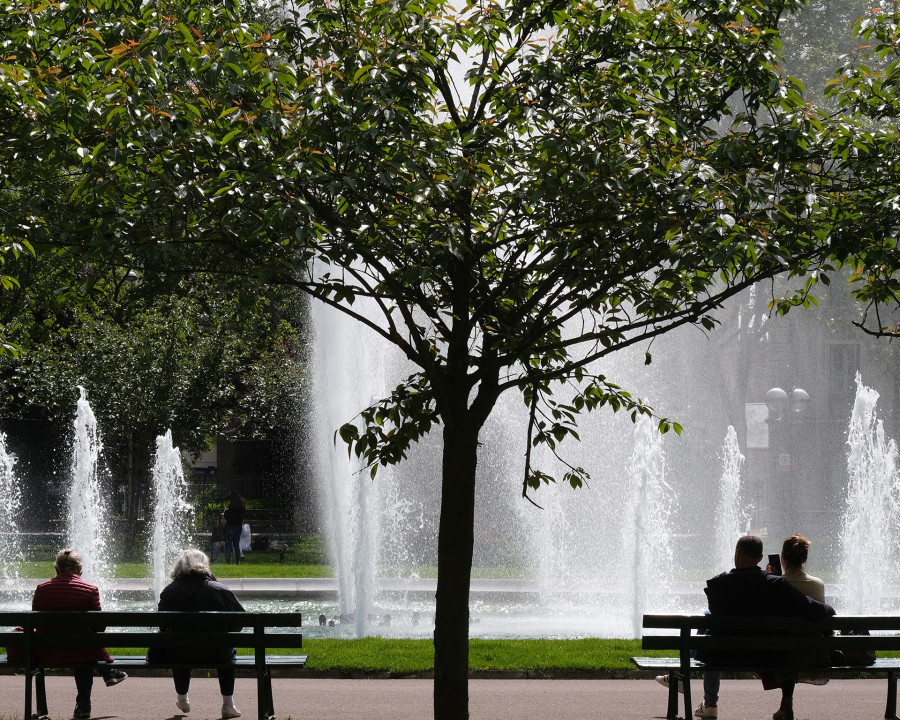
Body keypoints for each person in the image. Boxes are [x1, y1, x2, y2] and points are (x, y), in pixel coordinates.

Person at [656, 535, 834, 719]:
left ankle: (704, 698)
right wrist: (830, 610)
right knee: (709, 619)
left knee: (708, 619)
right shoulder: (776, 585)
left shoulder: (719, 585)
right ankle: (702, 697)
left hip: (722, 655)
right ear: (760, 558)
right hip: (765, 656)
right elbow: (811, 608)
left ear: (737, 553)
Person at [32, 548, 128, 720]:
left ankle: (43, 710)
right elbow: (99, 627)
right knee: (84, 647)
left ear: (57, 568)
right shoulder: (90, 589)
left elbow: (35, 623)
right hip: (83, 652)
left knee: (83, 646)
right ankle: (86, 701)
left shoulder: (42, 589)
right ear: (78, 568)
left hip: (47, 652)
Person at [152, 548, 245, 718]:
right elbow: (240, 622)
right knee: (226, 644)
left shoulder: (169, 591)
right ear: (204, 565)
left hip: (180, 654)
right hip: (217, 653)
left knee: (178, 644)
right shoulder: (219, 589)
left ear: (180, 567)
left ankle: (182, 699)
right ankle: (228, 704)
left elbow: (162, 625)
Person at [762, 534, 829, 720]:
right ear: (804, 559)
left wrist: (770, 577)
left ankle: (786, 706)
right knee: (793, 643)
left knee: (784, 643)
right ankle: (786, 706)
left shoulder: (774, 585)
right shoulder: (818, 585)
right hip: (813, 654)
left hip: (778, 655)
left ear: (782, 557)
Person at [223, 491, 246, 565]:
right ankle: (237, 562)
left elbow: (226, 517)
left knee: (228, 544)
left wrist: (225, 510)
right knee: (236, 545)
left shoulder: (231, 507)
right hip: (239, 526)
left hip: (231, 526)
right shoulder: (242, 506)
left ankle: (227, 561)